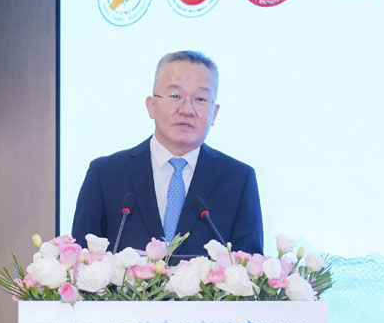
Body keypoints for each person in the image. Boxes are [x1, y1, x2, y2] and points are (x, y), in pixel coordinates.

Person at [71, 50, 263, 255]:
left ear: (214, 113)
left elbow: (248, 264)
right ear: (152, 106)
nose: (187, 109)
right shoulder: (105, 174)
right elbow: (80, 261)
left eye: (200, 99)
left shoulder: (238, 179)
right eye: (175, 96)